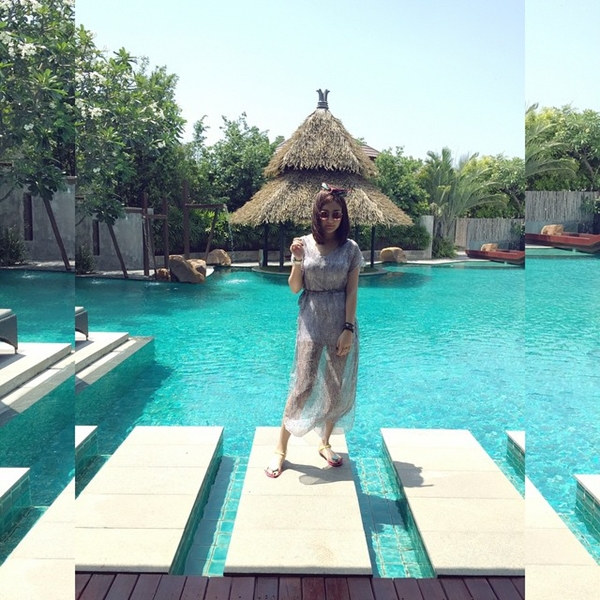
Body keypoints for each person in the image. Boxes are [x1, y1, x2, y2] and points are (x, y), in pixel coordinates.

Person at [265, 183, 363, 478]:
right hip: (310, 321)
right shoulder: (304, 245)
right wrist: (296, 259)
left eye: (336, 214)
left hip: (341, 324)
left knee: (334, 386)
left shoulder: (351, 249)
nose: (330, 219)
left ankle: (325, 442)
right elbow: (295, 287)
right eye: (324, 213)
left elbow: (352, 292)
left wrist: (348, 328)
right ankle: (280, 449)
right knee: (302, 384)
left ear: (343, 216)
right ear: (316, 214)